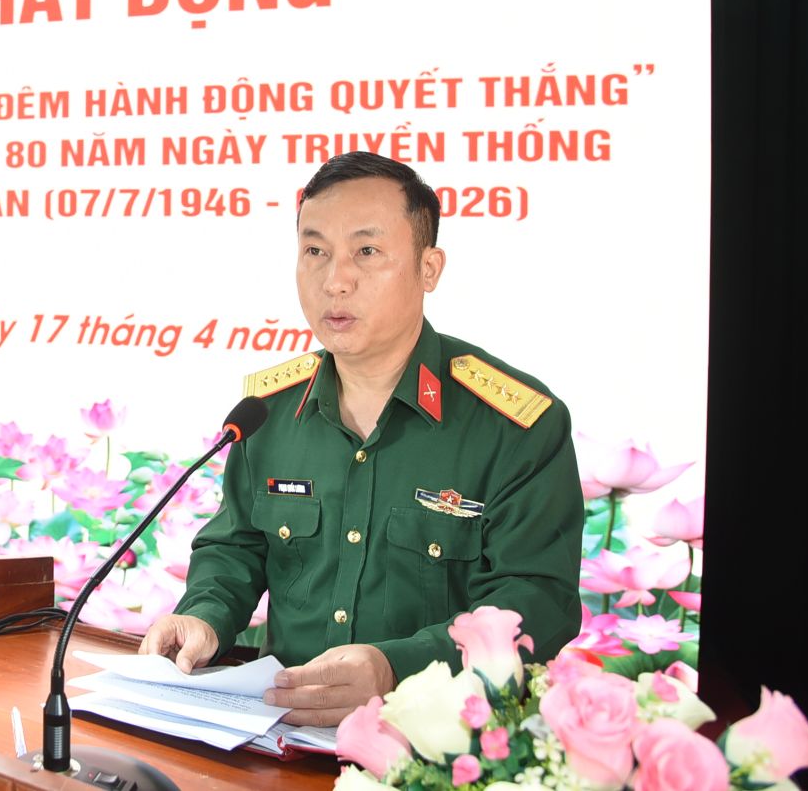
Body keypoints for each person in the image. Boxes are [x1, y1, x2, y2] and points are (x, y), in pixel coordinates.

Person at [139, 152, 584, 726]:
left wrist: (395, 669)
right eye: (315, 251)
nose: (335, 280)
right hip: (284, 735)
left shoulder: (515, 424)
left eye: (366, 252)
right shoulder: (268, 411)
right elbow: (237, 547)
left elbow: (538, 602)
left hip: (441, 746)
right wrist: (204, 615)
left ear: (429, 268)